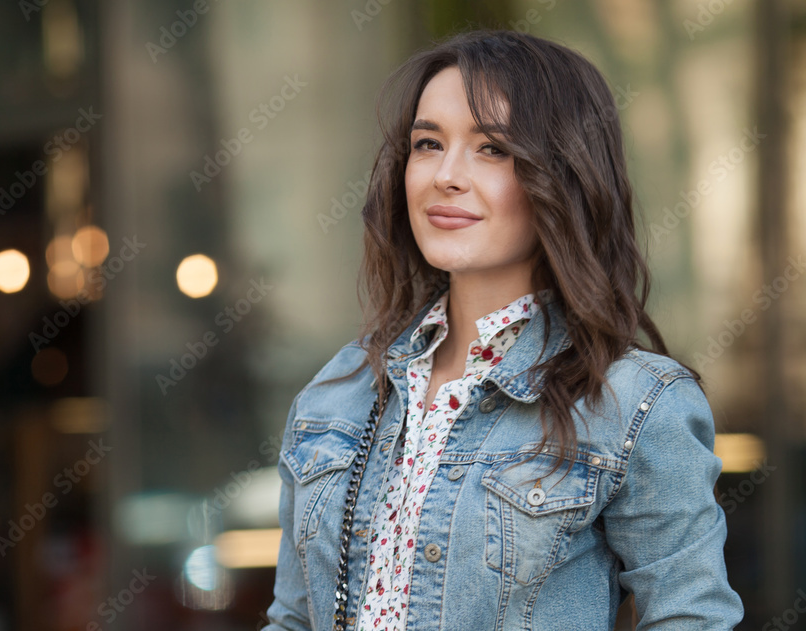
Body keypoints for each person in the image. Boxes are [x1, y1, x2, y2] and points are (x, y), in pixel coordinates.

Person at [262, 28, 744, 630]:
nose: (446, 175)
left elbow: (690, 618)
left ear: (563, 176)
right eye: (428, 144)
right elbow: (293, 619)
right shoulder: (342, 387)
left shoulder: (634, 404)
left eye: (493, 149)